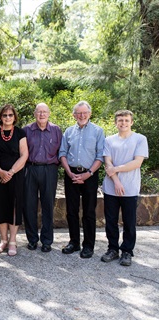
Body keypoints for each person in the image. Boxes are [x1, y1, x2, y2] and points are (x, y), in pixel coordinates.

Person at [101, 110, 148, 266]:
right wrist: (116, 181)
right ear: (115, 122)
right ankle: (112, 249)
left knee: (129, 222)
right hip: (111, 188)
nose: (123, 123)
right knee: (111, 221)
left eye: (126, 120)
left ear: (132, 122)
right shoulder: (109, 140)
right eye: (120, 120)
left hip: (130, 188)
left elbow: (137, 163)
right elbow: (108, 164)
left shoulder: (140, 139)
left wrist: (116, 169)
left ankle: (127, 251)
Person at [59, 101, 105, 259]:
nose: (82, 115)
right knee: (71, 211)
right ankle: (74, 242)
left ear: (90, 114)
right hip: (71, 174)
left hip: (89, 175)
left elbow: (100, 156)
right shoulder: (69, 131)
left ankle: (88, 245)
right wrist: (69, 173)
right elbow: (62, 153)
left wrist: (88, 174)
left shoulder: (98, 131)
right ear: (74, 115)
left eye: (84, 112)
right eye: (78, 113)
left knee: (89, 212)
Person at [0, 104, 28, 256]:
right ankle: (3, 240)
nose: (7, 118)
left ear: (14, 117)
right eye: (5, 115)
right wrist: (0, 172)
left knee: (13, 207)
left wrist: (10, 173)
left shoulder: (20, 133)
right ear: (0, 117)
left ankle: (13, 241)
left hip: (15, 175)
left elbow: (24, 155)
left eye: (10, 115)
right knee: (0, 206)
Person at [23, 103, 62, 253]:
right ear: (34, 114)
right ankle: (32, 239)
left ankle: (47, 241)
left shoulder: (56, 130)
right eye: (39, 112)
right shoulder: (26, 130)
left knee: (48, 205)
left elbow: (61, 151)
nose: (42, 114)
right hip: (30, 168)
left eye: (44, 112)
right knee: (29, 205)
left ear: (49, 113)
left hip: (49, 170)